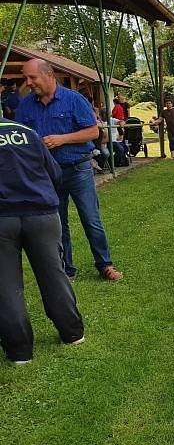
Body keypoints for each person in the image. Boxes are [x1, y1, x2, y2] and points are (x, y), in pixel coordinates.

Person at [15, 59, 122, 281]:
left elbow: (93, 132)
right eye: (25, 78)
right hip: (46, 174)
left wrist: (61, 139)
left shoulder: (74, 100)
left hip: (77, 169)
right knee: (57, 223)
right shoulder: (25, 106)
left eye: (32, 77)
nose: (28, 82)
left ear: (49, 75)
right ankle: (66, 270)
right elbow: (21, 137)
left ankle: (105, 265)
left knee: (91, 219)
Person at [0, 118, 84, 364]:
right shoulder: (26, 132)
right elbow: (55, 172)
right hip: (42, 214)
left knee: (6, 284)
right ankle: (72, 333)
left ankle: (20, 351)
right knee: (53, 274)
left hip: (3, 219)